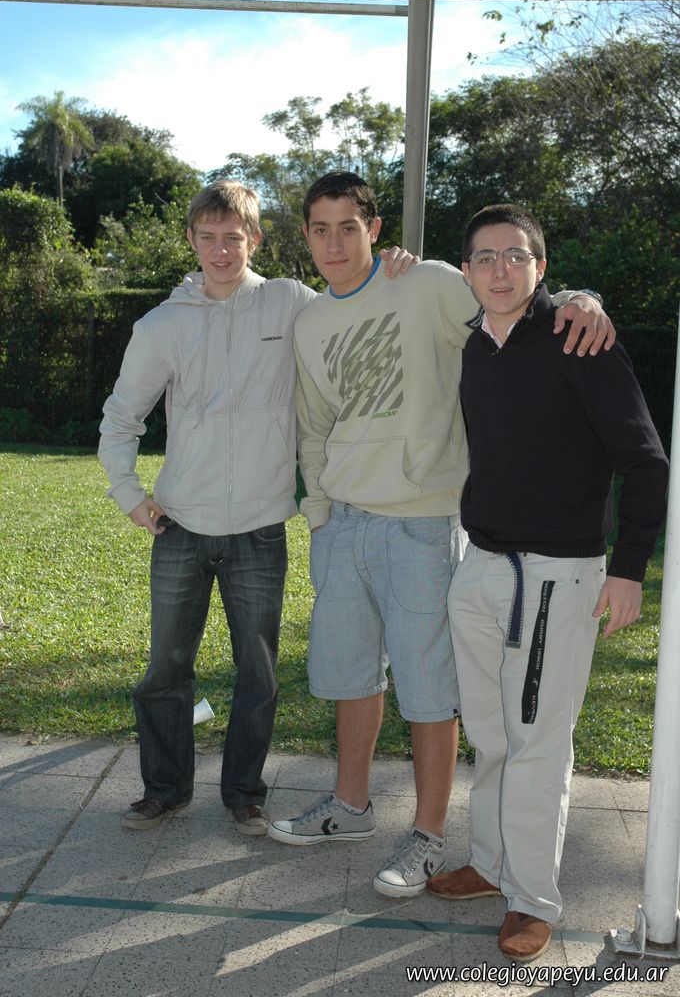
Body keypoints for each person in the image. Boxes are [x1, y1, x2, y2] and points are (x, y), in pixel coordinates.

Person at [267, 172, 615, 898]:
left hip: (424, 523)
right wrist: (321, 513)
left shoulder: (425, 283)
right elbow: (314, 425)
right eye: (320, 229)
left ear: (374, 230)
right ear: (306, 236)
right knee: (351, 678)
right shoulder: (310, 322)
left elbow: (514, 303)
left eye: (348, 227)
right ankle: (351, 807)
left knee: (430, 690)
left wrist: (582, 298)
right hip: (343, 526)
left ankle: (427, 837)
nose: (335, 243)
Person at [98, 180, 414, 835]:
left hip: (261, 529)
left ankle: (244, 792)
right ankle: (164, 791)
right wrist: (129, 493)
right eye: (208, 238)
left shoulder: (289, 303)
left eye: (233, 238)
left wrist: (396, 270)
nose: (221, 250)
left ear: (256, 240)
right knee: (166, 670)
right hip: (181, 525)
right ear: (192, 241)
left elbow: (356, 312)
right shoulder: (162, 325)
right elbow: (121, 416)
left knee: (259, 672)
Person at [425, 204, 668, 960]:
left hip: (558, 576)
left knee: (537, 743)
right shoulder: (476, 346)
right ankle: (492, 864)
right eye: (485, 257)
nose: (499, 270)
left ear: (541, 267)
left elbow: (646, 461)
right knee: (492, 734)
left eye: (515, 256)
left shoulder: (579, 338)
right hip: (481, 567)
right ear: (467, 271)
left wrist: (627, 570)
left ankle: (532, 900)